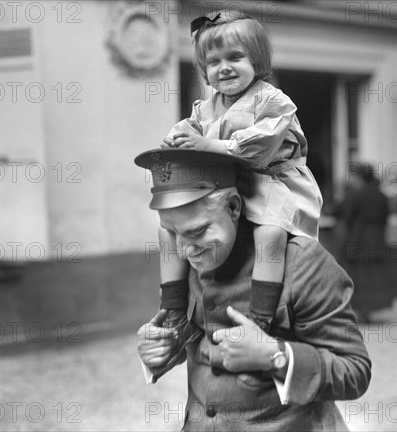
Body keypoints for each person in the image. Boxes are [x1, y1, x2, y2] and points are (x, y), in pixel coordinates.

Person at [135, 149, 371, 431]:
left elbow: (355, 371)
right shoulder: (188, 259)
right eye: (173, 232)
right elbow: (197, 342)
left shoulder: (302, 261)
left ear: (234, 207)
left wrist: (274, 355)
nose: (184, 250)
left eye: (197, 232)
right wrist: (160, 350)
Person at [156, 8, 323, 374]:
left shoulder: (272, 101)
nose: (224, 68)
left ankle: (262, 318)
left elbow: (258, 146)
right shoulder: (206, 107)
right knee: (169, 228)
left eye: (235, 57)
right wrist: (176, 141)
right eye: (213, 62)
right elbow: (186, 131)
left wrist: (205, 146)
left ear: (257, 60)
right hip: (228, 183)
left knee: (270, 231)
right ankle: (173, 309)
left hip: (272, 179)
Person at [343, 163, 392, 322]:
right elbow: (386, 217)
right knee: (375, 273)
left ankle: (363, 309)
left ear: (361, 177)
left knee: (361, 273)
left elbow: (348, 217)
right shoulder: (382, 195)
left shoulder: (358, 195)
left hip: (361, 237)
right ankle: (371, 308)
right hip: (378, 237)